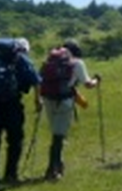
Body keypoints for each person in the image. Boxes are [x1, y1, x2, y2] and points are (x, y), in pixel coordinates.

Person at [0, 37, 41, 191]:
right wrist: (38, 100)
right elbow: (36, 80)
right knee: (15, 140)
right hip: (12, 103)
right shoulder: (21, 59)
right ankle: (11, 174)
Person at [40, 39, 100, 181]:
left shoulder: (49, 61)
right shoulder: (77, 63)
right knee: (58, 137)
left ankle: (58, 165)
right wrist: (96, 80)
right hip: (65, 102)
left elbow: (40, 79)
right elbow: (88, 84)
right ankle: (52, 170)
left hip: (48, 100)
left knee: (56, 133)